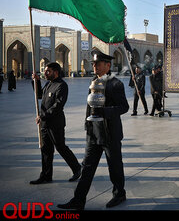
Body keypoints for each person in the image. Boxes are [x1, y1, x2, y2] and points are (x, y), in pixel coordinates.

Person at [58, 50, 129, 210]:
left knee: (115, 166)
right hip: (93, 133)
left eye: (98, 64)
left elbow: (124, 107)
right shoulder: (93, 81)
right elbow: (90, 107)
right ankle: (78, 200)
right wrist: (87, 125)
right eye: (94, 64)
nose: (95, 66)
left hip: (110, 133)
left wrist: (105, 112)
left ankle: (119, 194)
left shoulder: (116, 83)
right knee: (87, 168)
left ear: (108, 65)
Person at [30, 62, 81, 185]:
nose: (45, 73)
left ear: (56, 72)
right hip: (45, 123)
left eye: (48, 71)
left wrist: (42, 116)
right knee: (46, 150)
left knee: (60, 147)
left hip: (55, 123)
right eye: (45, 71)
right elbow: (39, 95)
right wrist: (36, 81)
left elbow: (58, 105)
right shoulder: (48, 84)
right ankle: (46, 175)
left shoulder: (61, 86)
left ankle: (77, 168)